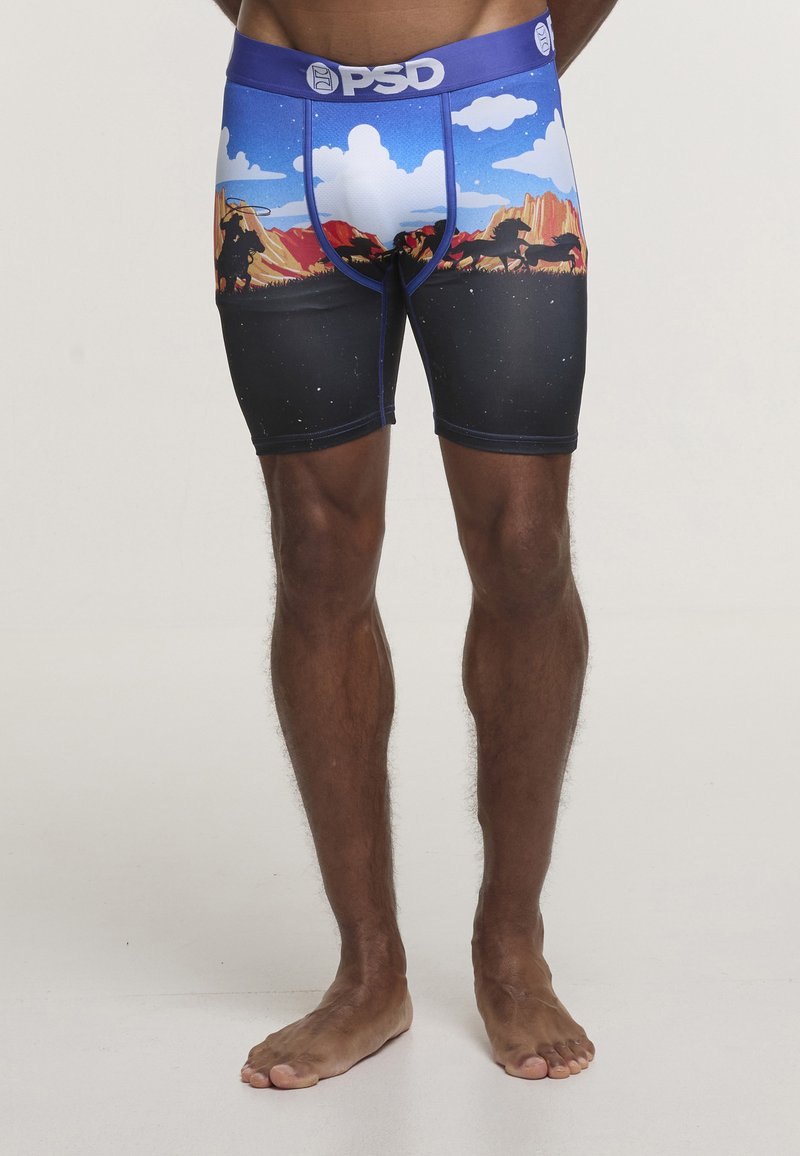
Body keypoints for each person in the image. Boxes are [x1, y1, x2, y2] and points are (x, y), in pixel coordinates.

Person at [210, 0, 618, 1089]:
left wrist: (501, 63)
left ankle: (511, 943)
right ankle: (367, 972)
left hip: (489, 115)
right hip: (281, 126)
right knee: (315, 548)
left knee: (525, 544)